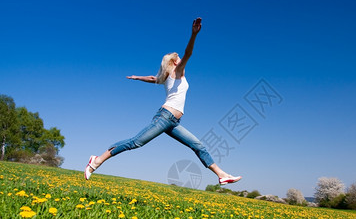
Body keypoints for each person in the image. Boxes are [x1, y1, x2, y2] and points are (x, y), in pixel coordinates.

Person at [84, 17, 241, 186]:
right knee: (136, 142)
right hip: (164, 117)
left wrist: (137, 77)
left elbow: (153, 78)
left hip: (173, 122)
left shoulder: (166, 78)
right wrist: (194, 34)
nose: (182, 60)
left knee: (198, 146)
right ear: (175, 62)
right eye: (179, 59)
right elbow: (189, 53)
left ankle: (221, 174)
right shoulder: (177, 72)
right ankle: (97, 160)